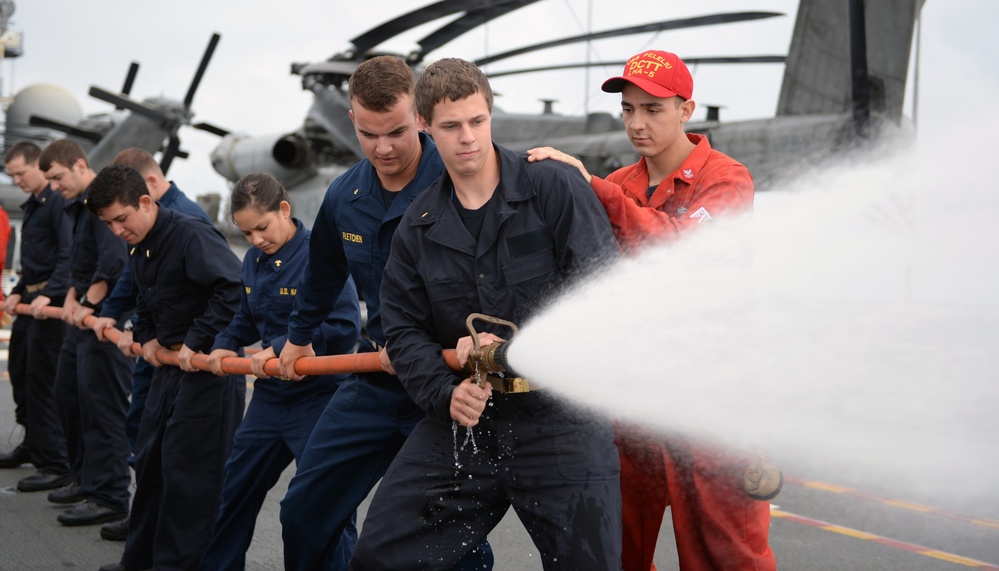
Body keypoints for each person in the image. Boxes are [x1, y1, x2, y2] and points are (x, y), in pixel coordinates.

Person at [348, 57, 622, 570]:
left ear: (491, 113)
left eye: (477, 120)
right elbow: (403, 330)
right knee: (379, 556)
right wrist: (444, 394)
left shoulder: (552, 187)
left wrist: (518, 351)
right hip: (467, 424)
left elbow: (604, 293)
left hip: (560, 421)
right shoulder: (417, 226)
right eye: (451, 126)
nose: (467, 137)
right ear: (425, 125)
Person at [527, 50, 774, 571]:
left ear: (686, 110)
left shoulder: (727, 179)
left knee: (724, 553)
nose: (637, 123)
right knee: (614, 547)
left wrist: (592, 188)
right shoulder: (621, 183)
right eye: (628, 109)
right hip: (631, 395)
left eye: (653, 109)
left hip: (712, 400)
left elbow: (682, 249)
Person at [277, 54, 492, 571]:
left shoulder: (462, 181)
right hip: (377, 376)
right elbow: (323, 274)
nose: (383, 148)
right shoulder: (344, 196)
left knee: (445, 534)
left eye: (396, 131)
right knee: (304, 511)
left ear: (420, 116)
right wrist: (298, 336)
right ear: (351, 119)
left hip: (446, 380)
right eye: (368, 134)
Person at [199, 172, 361, 570]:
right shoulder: (253, 261)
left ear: (284, 210)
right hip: (271, 400)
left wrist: (278, 346)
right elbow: (245, 319)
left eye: (262, 227)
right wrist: (223, 344)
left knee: (324, 505)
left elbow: (344, 327)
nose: (255, 240)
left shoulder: (322, 256)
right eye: (246, 233)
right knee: (235, 492)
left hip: (319, 399)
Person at [87, 164, 244, 571]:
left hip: (207, 372)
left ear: (145, 201)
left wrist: (196, 338)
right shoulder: (142, 244)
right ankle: (139, 561)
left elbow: (233, 289)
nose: (117, 230)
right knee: (151, 465)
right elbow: (146, 296)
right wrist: (148, 335)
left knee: (190, 482)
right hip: (169, 368)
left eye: (122, 219)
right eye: (109, 224)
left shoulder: (190, 234)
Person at [39, 139, 134, 526]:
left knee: (102, 411)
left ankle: (109, 495)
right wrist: (72, 298)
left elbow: (113, 262)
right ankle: (84, 479)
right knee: (68, 398)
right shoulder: (79, 208)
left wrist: (89, 306)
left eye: (58, 178)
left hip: (104, 325)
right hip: (81, 322)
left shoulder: (101, 204)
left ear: (80, 165)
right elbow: (80, 262)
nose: (54, 187)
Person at [0, 142, 72, 495]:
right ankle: (33, 442)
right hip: (31, 299)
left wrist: (51, 292)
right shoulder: (33, 204)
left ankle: (55, 462)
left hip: (51, 305)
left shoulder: (57, 202)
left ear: (38, 166)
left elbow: (68, 253)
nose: (16, 180)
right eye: (11, 175)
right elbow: (33, 260)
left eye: (21, 173)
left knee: (44, 382)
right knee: (20, 372)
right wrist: (18, 290)